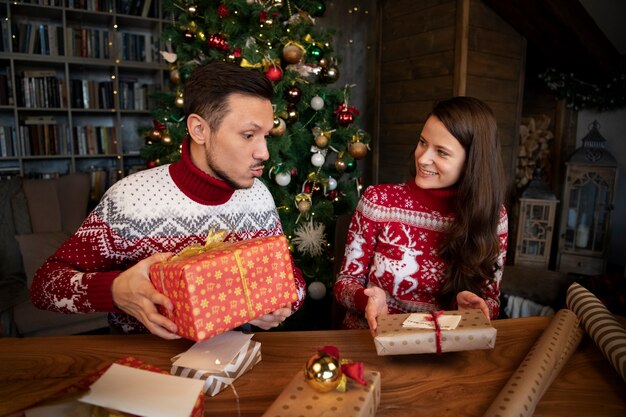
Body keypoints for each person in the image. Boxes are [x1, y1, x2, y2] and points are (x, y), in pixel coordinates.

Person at [31, 61, 306, 339]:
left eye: (266, 136)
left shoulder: (258, 196)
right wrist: (114, 290)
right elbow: (45, 287)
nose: (264, 153)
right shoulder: (131, 199)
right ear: (199, 130)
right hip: (146, 365)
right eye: (248, 135)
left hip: (237, 360)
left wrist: (282, 304)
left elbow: (293, 280)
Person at [334, 96, 508, 336]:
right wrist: (367, 300)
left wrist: (472, 309)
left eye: (442, 152)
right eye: (422, 142)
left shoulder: (494, 218)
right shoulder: (378, 201)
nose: (423, 158)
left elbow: (492, 300)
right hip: (371, 340)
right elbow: (345, 282)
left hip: (443, 349)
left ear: (472, 163)